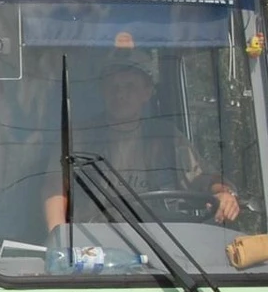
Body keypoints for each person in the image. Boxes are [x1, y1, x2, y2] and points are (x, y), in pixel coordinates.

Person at [43, 57, 240, 233]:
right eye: (114, 87)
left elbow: (201, 178)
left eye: (130, 87)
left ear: (147, 92)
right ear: (103, 91)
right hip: (94, 244)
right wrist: (59, 239)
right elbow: (55, 188)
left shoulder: (167, 138)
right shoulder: (79, 137)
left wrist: (222, 193)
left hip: (160, 241)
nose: (120, 95)